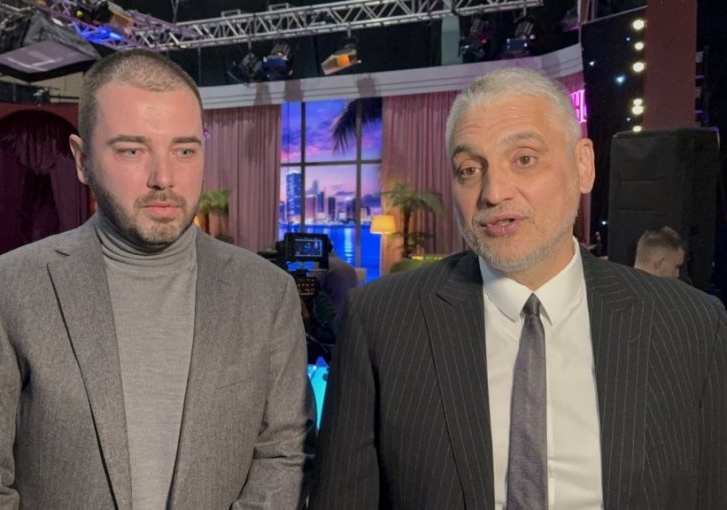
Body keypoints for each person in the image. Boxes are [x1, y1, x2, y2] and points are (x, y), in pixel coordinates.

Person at [310, 67, 726, 509]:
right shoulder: (382, 321)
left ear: (583, 165)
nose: (493, 192)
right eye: (469, 169)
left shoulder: (691, 325)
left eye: (524, 159)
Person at [0, 50, 314, 509]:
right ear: (82, 160)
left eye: (184, 150)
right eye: (132, 150)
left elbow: (284, 454)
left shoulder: (267, 294)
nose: (164, 177)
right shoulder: (3, 292)